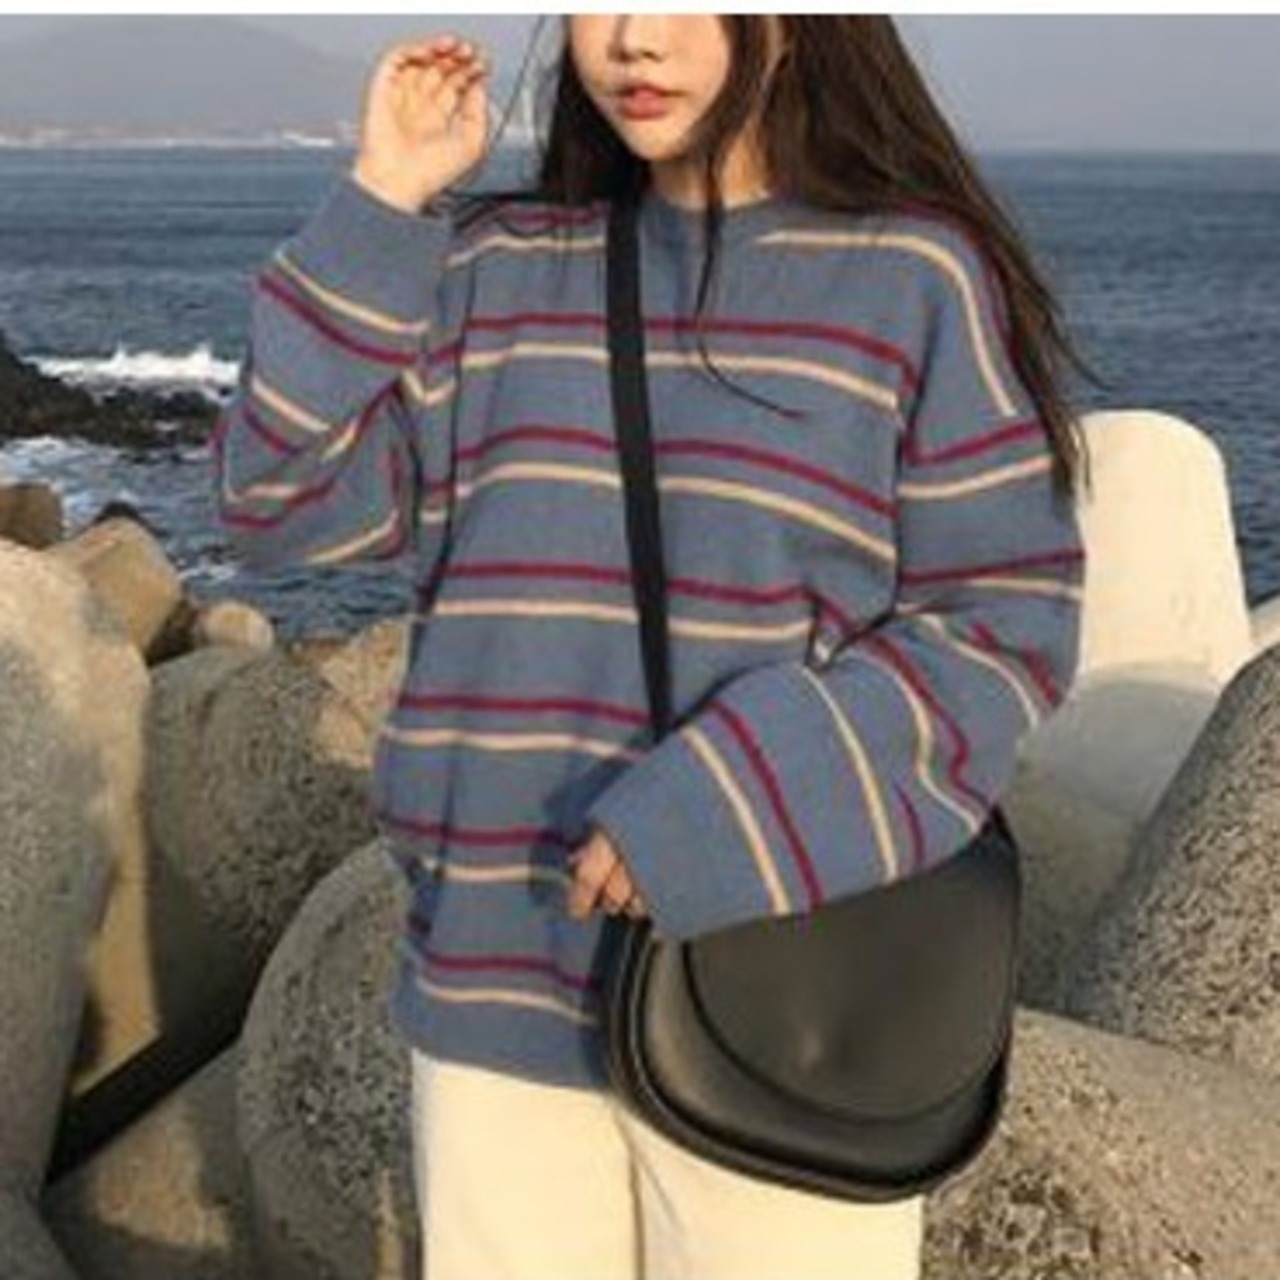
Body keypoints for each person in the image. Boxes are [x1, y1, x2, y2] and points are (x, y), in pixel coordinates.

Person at [214, 15, 1094, 1279]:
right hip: (496, 970)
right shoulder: (492, 270)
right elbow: (271, 504)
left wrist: (720, 808)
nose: (632, 38)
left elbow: (1002, 624)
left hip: (780, 981)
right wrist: (382, 202)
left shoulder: (910, 278)